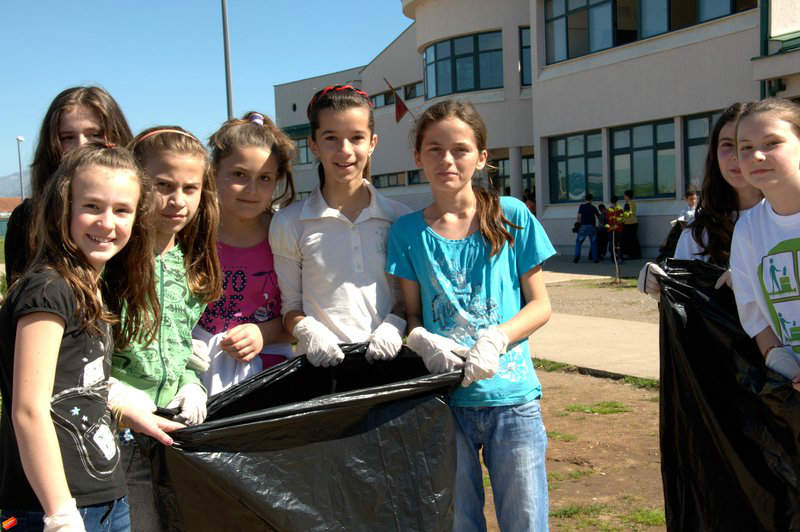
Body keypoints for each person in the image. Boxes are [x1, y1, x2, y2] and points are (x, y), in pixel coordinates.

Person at [386, 100, 555, 530]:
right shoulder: (406, 233)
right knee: (460, 522)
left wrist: (497, 338)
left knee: (526, 521)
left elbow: (540, 305)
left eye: (460, 149)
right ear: (417, 157)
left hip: (513, 401)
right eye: (434, 149)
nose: (447, 159)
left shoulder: (510, 214)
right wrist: (423, 340)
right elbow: (412, 315)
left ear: (482, 157)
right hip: (444, 403)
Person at [0, 144, 183, 532]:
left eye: (122, 210)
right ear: (63, 208)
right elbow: (29, 409)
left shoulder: (92, 287)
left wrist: (130, 412)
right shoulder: (48, 290)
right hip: (53, 507)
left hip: (106, 499)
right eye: (92, 207)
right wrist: (60, 514)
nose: (107, 222)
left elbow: (76, 387)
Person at [109, 126, 223, 531]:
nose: (178, 200)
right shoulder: (112, 263)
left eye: (190, 188)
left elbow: (179, 349)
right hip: (119, 435)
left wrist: (193, 383)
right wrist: (119, 395)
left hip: (173, 432)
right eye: (163, 185)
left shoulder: (192, 264)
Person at [269, 85, 411, 367]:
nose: (344, 150)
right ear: (313, 145)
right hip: (321, 370)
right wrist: (307, 331)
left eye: (356, 138)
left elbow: (407, 299)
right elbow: (290, 307)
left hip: (386, 366)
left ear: (372, 143)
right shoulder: (289, 222)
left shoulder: (400, 218)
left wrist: (394, 323)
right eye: (331, 138)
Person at [193, 112, 296, 395]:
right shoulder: (192, 235)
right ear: (214, 173)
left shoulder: (285, 234)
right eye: (239, 175)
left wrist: (262, 333)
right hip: (196, 376)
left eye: (264, 178)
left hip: (269, 375)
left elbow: (304, 311)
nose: (251, 189)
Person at [4, 86, 133, 286]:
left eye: (95, 135)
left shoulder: (140, 217)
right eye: (68, 138)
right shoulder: (27, 219)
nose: (81, 146)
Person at [638, 103, 762, 299]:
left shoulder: (788, 217)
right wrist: (661, 287)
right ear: (714, 154)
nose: (736, 156)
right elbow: (688, 307)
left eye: (747, 145)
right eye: (728, 145)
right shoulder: (699, 232)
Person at [729, 98, 800, 390]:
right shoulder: (747, 229)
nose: (757, 155)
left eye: (772, 143)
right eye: (745, 147)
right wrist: (780, 361)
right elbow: (754, 314)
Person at [574, 193, 600, 263]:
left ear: (585, 199)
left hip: (583, 226)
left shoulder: (582, 206)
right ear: (591, 200)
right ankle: (595, 259)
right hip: (592, 226)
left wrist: (577, 225)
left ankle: (577, 257)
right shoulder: (593, 207)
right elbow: (598, 216)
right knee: (593, 243)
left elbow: (579, 216)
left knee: (579, 242)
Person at [622, 189, 641, 259]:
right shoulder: (633, 203)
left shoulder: (627, 204)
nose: (624, 197)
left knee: (628, 240)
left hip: (628, 223)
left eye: (624, 195)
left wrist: (621, 218)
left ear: (627, 196)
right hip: (634, 222)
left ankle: (630, 254)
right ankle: (637, 254)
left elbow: (627, 214)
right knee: (634, 239)